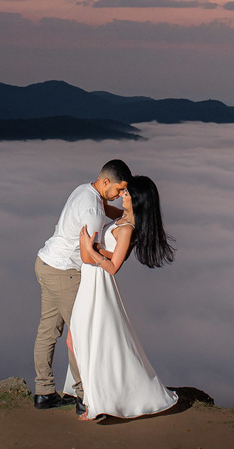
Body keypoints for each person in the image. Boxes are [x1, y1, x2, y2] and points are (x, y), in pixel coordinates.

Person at [62, 174, 177, 421]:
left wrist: (91, 250)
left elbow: (114, 266)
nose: (122, 195)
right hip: (90, 279)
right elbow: (104, 209)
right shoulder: (123, 218)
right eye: (123, 191)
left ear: (137, 199)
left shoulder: (127, 228)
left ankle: (94, 401)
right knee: (77, 339)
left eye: (127, 193)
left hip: (99, 283)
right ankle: (92, 396)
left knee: (83, 339)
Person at [33, 159, 130, 411]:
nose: (120, 195)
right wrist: (113, 254)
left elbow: (105, 208)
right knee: (79, 334)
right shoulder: (94, 210)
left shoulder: (85, 191)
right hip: (65, 272)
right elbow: (88, 256)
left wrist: (126, 215)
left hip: (46, 263)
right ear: (106, 181)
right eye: (119, 189)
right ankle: (83, 396)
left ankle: (44, 392)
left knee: (48, 331)